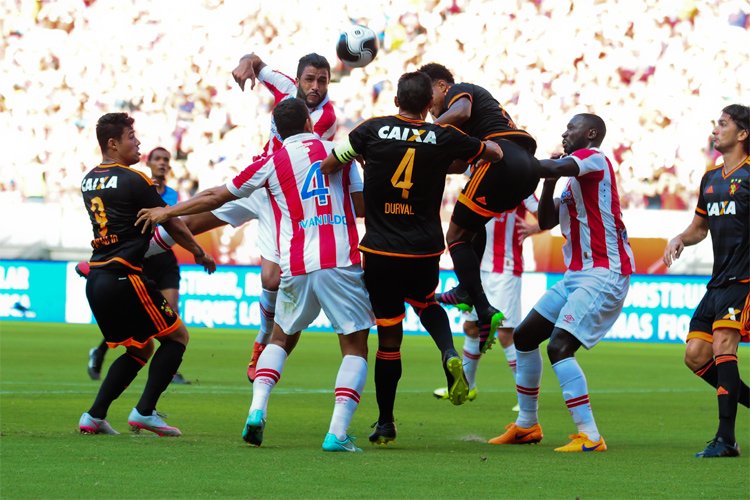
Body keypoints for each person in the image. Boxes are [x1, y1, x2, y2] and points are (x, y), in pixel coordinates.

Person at [136, 98, 372, 452]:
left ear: (276, 131)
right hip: (339, 258)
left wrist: (167, 211)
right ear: (309, 123)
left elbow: (215, 196)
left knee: (279, 337)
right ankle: (337, 433)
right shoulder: (339, 153)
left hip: (296, 264)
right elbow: (361, 208)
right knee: (354, 345)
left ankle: (256, 410)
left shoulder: (270, 163)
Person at [320, 71, 503, 444]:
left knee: (389, 338)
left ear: (397, 102)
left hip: (380, 250)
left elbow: (331, 163)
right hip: (424, 248)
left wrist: (364, 163)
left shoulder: (370, 130)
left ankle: (386, 422)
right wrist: (450, 157)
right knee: (425, 301)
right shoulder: (444, 136)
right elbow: (494, 153)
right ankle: (449, 351)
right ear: (428, 106)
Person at [145, 52, 339, 383]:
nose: (316, 86)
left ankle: (262, 340)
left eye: (323, 80)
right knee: (188, 223)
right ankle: (121, 255)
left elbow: (294, 158)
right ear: (298, 78)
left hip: (283, 192)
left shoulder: (324, 118)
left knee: (271, 279)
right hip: (256, 183)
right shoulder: (285, 86)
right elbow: (257, 62)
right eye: (310, 79)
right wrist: (246, 63)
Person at [489, 113, 634, 452]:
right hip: (577, 275)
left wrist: (507, 158)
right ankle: (527, 425)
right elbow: (546, 219)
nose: (565, 133)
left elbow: (553, 167)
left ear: (592, 133)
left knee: (559, 347)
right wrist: (550, 182)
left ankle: (591, 436)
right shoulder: (573, 179)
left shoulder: (594, 159)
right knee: (524, 337)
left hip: (604, 273)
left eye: (572, 128)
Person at [78, 113, 215, 437]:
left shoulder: (87, 179)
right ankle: (145, 411)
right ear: (113, 143)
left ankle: (94, 416)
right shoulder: (133, 179)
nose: (137, 142)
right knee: (178, 337)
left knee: (140, 348)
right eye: (131, 137)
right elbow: (171, 220)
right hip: (125, 276)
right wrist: (198, 252)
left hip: (97, 278)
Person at [418, 63, 541, 352]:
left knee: (455, 236)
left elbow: (460, 112)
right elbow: (459, 163)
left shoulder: (459, 93)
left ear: (442, 87)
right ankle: (470, 294)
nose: (428, 106)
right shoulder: (473, 125)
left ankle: (480, 304)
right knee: (471, 227)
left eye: (429, 96)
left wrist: (422, 135)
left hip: (501, 159)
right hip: (525, 167)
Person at [663, 103, 749, 458]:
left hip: (744, 279)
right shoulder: (710, 178)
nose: (716, 129)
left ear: (743, 134)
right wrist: (680, 238)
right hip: (718, 281)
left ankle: (725, 440)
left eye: (723, 124)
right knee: (696, 355)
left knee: (722, 347)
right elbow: (700, 227)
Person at [83, 147, 190, 385]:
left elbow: (171, 221)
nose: (162, 163)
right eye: (158, 159)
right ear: (149, 163)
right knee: (134, 321)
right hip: (140, 259)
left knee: (171, 311)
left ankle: (168, 369)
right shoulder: (136, 185)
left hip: (166, 260)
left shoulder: (172, 194)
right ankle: (101, 351)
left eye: (166, 160)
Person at [433, 195, 540, 409]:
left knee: (505, 333)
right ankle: (468, 386)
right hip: (476, 266)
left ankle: (525, 398)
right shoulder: (479, 177)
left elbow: (543, 214)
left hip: (505, 269)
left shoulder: (521, 184)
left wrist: (534, 228)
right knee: (471, 327)